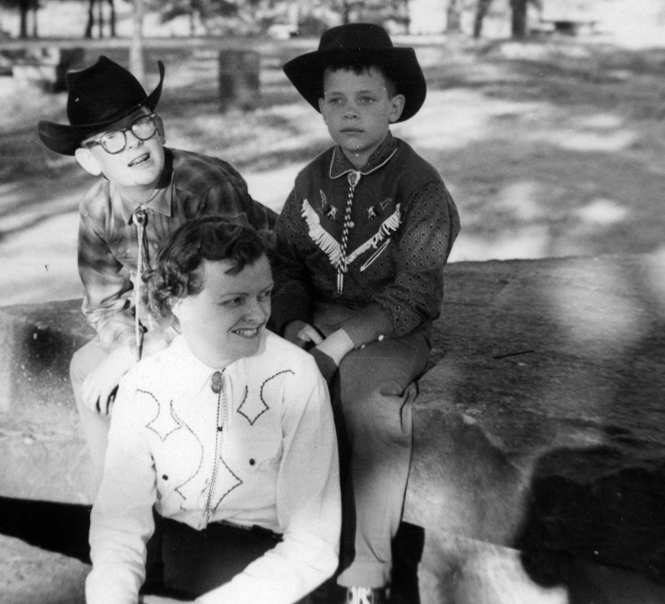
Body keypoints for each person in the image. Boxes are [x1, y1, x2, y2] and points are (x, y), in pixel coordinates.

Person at [273, 23, 461, 604]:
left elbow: (415, 296)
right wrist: (291, 320)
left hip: (391, 328)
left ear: (395, 106)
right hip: (319, 317)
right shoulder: (311, 181)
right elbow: (285, 263)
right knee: (270, 382)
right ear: (321, 109)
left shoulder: (420, 187)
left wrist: (338, 345)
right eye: (336, 100)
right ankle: (288, 551)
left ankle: (365, 578)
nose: (349, 113)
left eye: (367, 99)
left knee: (364, 399)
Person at [37, 56, 276, 480]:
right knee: (89, 368)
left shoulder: (205, 186)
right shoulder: (98, 210)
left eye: (141, 125)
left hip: (251, 309)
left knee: (188, 380)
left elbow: (234, 299)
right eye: (111, 139)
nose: (132, 144)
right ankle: (119, 505)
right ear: (89, 161)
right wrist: (127, 345)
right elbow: (104, 304)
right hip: (167, 323)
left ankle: (196, 508)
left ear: (159, 129)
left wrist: (146, 349)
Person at [86, 216, 341, 604]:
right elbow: (119, 526)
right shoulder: (144, 384)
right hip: (174, 558)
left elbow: (314, 542)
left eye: (265, 294)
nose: (258, 315)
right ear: (177, 303)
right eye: (233, 300)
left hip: (272, 577)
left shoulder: (295, 375)